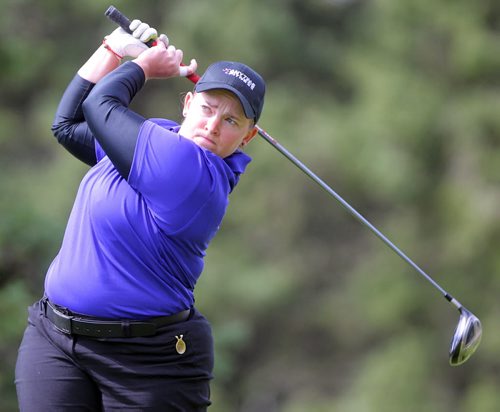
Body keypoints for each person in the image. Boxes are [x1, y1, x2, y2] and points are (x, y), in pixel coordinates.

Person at [15, 18, 265, 411]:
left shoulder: (194, 173)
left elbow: (100, 105)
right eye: (208, 108)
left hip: (148, 365)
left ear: (248, 137)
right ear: (187, 103)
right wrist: (114, 49)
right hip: (55, 340)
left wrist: (145, 67)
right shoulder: (155, 136)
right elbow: (67, 125)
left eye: (231, 120)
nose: (212, 126)